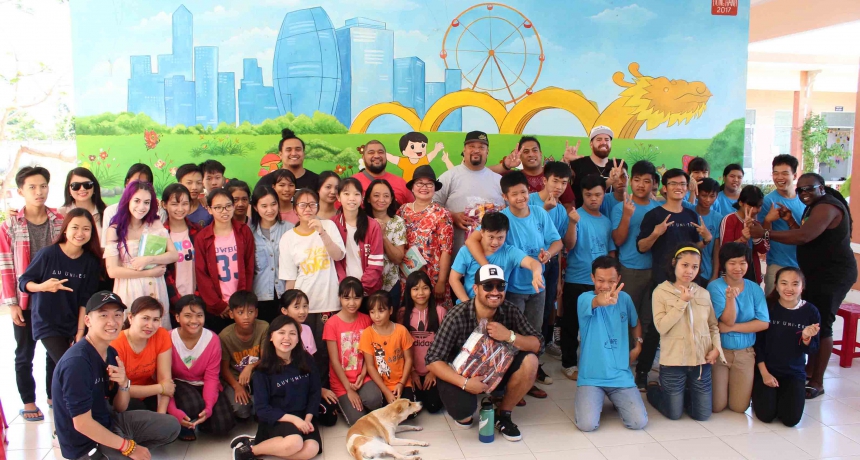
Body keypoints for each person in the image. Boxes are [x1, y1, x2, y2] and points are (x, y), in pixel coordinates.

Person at [748, 173, 857, 399]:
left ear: (822, 188)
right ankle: (809, 369)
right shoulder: (814, 206)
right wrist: (790, 221)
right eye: (800, 190)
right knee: (813, 319)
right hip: (816, 274)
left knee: (823, 324)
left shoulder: (827, 207)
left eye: (809, 188)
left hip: (832, 275)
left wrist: (765, 232)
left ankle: (817, 381)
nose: (804, 193)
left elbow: (805, 236)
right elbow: (810, 234)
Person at [51, 291, 180, 460]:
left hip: (109, 422)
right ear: (88, 320)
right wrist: (129, 447)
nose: (112, 322)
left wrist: (124, 384)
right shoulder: (77, 362)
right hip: (85, 443)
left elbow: (120, 408)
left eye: (117, 315)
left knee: (171, 426)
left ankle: (116, 446)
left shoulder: (110, 353)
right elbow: (82, 424)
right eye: (103, 315)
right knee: (129, 452)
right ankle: (113, 450)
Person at [425, 264, 543, 442]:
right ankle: (466, 402)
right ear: (475, 289)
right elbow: (432, 359)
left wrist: (510, 336)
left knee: (531, 361)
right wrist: (465, 384)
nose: (495, 292)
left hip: (497, 371)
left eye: (500, 286)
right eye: (488, 286)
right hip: (461, 374)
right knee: (464, 416)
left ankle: (503, 414)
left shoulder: (510, 310)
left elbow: (538, 343)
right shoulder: (458, 315)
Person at [635, 168, 712, 388]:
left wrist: (706, 239)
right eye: (674, 184)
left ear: (687, 188)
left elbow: (693, 249)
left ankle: (687, 372)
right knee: (656, 329)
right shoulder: (654, 215)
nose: (679, 188)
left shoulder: (691, 215)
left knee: (689, 325)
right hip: (663, 282)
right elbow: (641, 247)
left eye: (683, 184)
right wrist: (656, 233)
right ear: (664, 188)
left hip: (689, 282)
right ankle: (642, 372)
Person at [1, 167, 64, 421]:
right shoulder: (10, 225)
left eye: (43, 186)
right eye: (32, 187)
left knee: (55, 350)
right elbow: (6, 265)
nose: (39, 192)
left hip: (55, 298)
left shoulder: (60, 220)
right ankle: (28, 401)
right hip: (25, 299)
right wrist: (12, 304)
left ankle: (52, 396)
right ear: (20, 191)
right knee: (24, 352)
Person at [19, 206, 100, 385]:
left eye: (86, 229)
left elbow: (85, 300)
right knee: (70, 365)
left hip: (71, 322)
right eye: (75, 227)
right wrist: (43, 286)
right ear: (65, 229)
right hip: (46, 322)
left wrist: (80, 332)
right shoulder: (48, 254)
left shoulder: (91, 262)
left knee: (55, 365)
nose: (80, 233)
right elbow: (24, 282)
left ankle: (53, 398)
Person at [646, 245, 724, 421]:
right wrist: (682, 302)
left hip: (701, 362)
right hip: (673, 362)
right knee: (674, 414)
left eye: (694, 267)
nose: (689, 271)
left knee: (702, 415)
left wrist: (716, 348)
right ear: (674, 263)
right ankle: (653, 388)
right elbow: (661, 327)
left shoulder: (703, 293)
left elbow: (713, 326)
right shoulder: (660, 292)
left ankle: (684, 394)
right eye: (685, 265)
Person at [231, 315, 322, 460]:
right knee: (295, 442)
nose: (287, 338)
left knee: (312, 448)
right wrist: (294, 420)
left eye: (292, 333)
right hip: (277, 418)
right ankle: (248, 451)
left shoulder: (306, 360)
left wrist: (308, 418)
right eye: (281, 332)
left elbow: (315, 392)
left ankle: (268, 446)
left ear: (298, 339)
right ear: (271, 337)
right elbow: (262, 409)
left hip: (303, 416)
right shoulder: (262, 371)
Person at [573, 256, 648, 432]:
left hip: (620, 375)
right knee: (587, 425)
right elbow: (597, 301)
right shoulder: (584, 299)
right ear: (592, 278)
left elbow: (635, 322)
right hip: (591, 377)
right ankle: (596, 398)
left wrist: (638, 345)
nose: (606, 286)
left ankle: (615, 398)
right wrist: (603, 300)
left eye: (611, 281)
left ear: (619, 279)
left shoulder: (625, 299)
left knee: (638, 422)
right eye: (600, 280)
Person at [279, 188, 346, 367]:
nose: (308, 209)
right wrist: (290, 310)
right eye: (302, 205)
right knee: (304, 352)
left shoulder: (329, 226)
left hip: (329, 301)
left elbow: (338, 255)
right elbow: (290, 277)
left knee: (326, 353)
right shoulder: (288, 238)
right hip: (303, 306)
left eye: (312, 204)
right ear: (295, 209)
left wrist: (321, 232)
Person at [560, 174, 616, 380]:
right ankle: (569, 364)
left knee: (598, 324)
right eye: (588, 194)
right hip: (576, 278)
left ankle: (594, 362)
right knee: (571, 324)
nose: (593, 199)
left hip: (601, 284)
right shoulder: (575, 217)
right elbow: (569, 245)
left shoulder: (607, 222)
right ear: (581, 195)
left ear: (604, 194)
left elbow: (610, 252)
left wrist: (612, 281)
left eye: (598, 195)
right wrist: (572, 223)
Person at [104, 180, 177, 329]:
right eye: (137, 201)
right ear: (127, 200)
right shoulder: (115, 229)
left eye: (147, 202)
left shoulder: (155, 224)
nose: (142, 207)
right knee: (131, 331)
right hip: (128, 288)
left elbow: (174, 255)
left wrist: (149, 259)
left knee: (156, 332)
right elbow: (112, 271)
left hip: (155, 287)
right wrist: (149, 272)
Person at [753, 267, 820, 427]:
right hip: (767, 370)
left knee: (791, 420)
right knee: (766, 415)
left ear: (802, 287)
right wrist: (764, 374)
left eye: (795, 284)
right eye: (784, 283)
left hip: (794, 373)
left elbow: (812, 350)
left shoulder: (811, 311)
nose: (789, 288)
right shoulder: (768, 307)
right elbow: (758, 343)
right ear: (776, 286)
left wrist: (806, 338)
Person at [707, 243, 769, 413]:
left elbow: (763, 323)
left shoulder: (754, 288)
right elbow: (727, 320)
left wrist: (732, 328)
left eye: (742, 263)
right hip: (720, 352)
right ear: (724, 264)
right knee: (717, 406)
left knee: (739, 407)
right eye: (732, 263)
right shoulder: (715, 287)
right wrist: (730, 299)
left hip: (745, 353)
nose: (738, 268)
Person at [168, 294, 236, 441]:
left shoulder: (212, 339)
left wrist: (209, 407)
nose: (194, 321)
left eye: (199, 315)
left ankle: (199, 422)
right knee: (193, 404)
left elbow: (211, 377)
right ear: (177, 317)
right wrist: (172, 410)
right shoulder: (168, 339)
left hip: (203, 383)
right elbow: (164, 379)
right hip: (178, 384)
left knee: (223, 425)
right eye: (188, 316)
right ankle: (179, 424)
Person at [610, 161, 659, 362]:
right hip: (629, 270)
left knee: (648, 318)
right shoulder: (620, 207)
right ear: (630, 181)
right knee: (626, 316)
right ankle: (623, 358)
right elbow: (618, 240)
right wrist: (627, 216)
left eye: (646, 181)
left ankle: (642, 361)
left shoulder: (659, 208)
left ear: (653, 183)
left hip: (654, 270)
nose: (641, 185)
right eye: (637, 180)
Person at [194, 188, 255, 333]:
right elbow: (202, 274)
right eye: (218, 207)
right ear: (209, 209)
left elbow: (249, 267)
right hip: (217, 308)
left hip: (241, 305)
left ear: (233, 207)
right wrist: (218, 305)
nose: (224, 211)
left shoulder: (244, 231)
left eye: (228, 206)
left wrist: (241, 302)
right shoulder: (202, 237)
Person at [433, 130, 505, 254]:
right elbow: (431, 206)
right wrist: (452, 216)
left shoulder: (499, 181)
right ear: (464, 150)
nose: (476, 150)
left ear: (487, 152)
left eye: (481, 147)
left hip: (493, 256)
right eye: (471, 146)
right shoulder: (449, 177)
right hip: (457, 254)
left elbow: (511, 212)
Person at [323, 277, 382, 425]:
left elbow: (370, 353)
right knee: (357, 420)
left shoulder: (367, 320)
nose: (352, 303)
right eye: (347, 298)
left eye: (356, 298)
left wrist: (363, 374)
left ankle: (362, 400)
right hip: (342, 383)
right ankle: (346, 404)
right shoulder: (331, 323)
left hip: (363, 377)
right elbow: (334, 361)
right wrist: (349, 389)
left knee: (375, 400)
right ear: (339, 298)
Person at [528, 161, 572, 360]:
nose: (559, 187)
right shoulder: (528, 200)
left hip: (551, 264)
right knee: (529, 309)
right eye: (555, 181)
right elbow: (522, 229)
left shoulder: (561, 211)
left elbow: (559, 244)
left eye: (564, 182)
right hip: (528, 262)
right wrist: (544, 210)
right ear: (545, 180)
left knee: (546, 309)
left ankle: (541, 351)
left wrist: (559, 280)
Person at [450, 212, 540, 302]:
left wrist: (536, 273)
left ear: (506, 234)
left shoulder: (510, 252)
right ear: (482, 232)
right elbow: (453, 279)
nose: (495, 242)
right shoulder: (466, 251)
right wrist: (467, 303)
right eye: (491, 237)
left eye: (500, 238)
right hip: (468, 303)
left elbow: (533, 263)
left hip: (496, 305)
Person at [399, 165, 455, 309]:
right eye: (420, 183)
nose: (424, 187)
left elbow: (446, 250)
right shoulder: (402, 211)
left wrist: (441, 281)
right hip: (407, 276)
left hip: (433, 277)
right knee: (408, 314)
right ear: (412, 187)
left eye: (429, 184)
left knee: (436, 315)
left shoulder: (442, 214)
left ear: (434, 188)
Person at [281, 289, 339, 427]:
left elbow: (312, 365)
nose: (302, 311)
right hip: (288, 387)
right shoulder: (281, 333)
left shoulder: (306, 329)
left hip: (306, 385)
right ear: (284, 310)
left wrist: (318, 389)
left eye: (305, 306)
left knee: (330, 416)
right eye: (296, 307)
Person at [111, 296, 174, 413]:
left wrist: (161, 416)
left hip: (150, 393)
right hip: (123, 398)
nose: (150, 325)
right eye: (145, 318)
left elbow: (166, 380)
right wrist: (160, 388)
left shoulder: (161, 335)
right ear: (130, 317)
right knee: (138, 409)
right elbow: (119, 389)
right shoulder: (116, 344)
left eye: (155, 320)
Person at [398, 271, 446, 414]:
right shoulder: (402, 313)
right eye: (415, 289)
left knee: (433, 406)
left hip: (434, 368)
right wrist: (411, 372)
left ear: (431, 290)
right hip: (410, 370)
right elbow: (399, 347)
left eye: (425, 288)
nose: (421, 293)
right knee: (412, 410)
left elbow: (445, 345)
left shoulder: (440, 312)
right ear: (409, 291)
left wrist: (434, 372)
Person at [758, 155, 805, 295]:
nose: (779, 177)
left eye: (785, 173)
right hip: (778, 264)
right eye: (776, 173)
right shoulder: (768, 201)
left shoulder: (804, 200)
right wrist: (768, 220)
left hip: (803, 264)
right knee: (773, 305)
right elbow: (762, 236)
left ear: (794, 175)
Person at [219, 290, 269, 421]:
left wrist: (250, 367)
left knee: (263, 407)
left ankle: (258, 402)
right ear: (231, 314)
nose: (246, 317)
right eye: (240, 313)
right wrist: (237, 386)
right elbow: (224, 369)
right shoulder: (225, 336)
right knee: (242, 410)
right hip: (235, 378)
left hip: (258, 374)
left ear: (256, 313)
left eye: (250, 312)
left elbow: (265, 358)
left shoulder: (264, 327)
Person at [360, 292, 415, 404]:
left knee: (408, 410)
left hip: (402, 382)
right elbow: (370, 366)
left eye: (381, 311)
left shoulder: (401, 330)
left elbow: (409, 359)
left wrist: (402, 383)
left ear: (390, 310)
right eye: (372, 312)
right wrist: (386, 391)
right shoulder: (367, 333)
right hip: (380, 385)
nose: (376, 316)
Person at [492, 136, 576, 208]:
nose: (531, 154)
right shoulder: (513, 177)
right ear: (520, 156)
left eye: (535, 150)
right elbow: (484, 173)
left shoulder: (554, 174)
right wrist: (505, 166)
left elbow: (569, 205)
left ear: (540, 153)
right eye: (526, 151)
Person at [250, 185, 294, 323]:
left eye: (273, 204)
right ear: (255, 207)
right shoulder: (249, 232)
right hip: (260, 296)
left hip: (287, 295)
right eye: (264, 206)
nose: (270, 210)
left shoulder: (290, 229)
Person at [333, 178, 384, 294]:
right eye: (346, 194)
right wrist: (345, 288)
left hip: (368, 291)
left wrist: (360, 289)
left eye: (356, 194)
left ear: (362, 197)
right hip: (342, 292)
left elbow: (376, 263)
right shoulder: (332, 224)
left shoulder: (373, 225)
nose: (352, 198)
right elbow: (334, 262)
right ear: (338, 197)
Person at [365, 179, 407, 309]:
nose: (381, 199)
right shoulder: (361, 221)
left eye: (386, 196)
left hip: (390, 283)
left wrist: (382, 235)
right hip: (366, 283)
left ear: (391, 199)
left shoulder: (397, 222)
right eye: (376, 195)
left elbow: (398, 258)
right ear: (368, 199)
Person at [564, 126, 626, 209]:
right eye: (599, 139)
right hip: (580, 214)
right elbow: (559, 177)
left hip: (609, 215)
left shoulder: (617, 166)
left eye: (607, 140)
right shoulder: (578, 163)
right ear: (591, 144)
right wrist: (565, 160)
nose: (603, 142)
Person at [719, 185, 768, 284]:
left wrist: (754, 233)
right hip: (732, 273)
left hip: (753, 273)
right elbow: (725, 250)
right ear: (741, 203)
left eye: (758, 206)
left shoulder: (756, 224)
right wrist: (742, 239)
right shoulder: (729, 219)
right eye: (750, 206)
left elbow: (763, 249)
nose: (755, 210)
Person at [162, 183, 201, 309]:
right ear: (164, 205)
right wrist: (177, 301)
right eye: (174, 204)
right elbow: (164, 272)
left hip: (197, 298)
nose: (180, 209)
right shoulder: (160, 234)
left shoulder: (198, 230)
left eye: (184, 204)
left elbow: (204, 268)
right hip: (172, 301)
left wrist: (198, 295)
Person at [101, 163, 154, 243]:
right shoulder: (111, 211)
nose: (140, 187)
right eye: (135, 182)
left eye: (145, 184)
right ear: (127, 182)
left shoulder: (157, 214)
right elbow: (106, 246)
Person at [353, 139, 414, 205]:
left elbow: (413, 209)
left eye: (380, 152)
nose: (376, 156)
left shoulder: (401, 183)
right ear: (363, 157)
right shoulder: (353, 182)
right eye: (371, 152)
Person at [59, 167, 107, 239]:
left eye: (87, 184)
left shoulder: (108, 212)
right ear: (68, 190)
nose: (82, 189)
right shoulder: (61, 213)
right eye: (75, 185)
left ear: (94, 187)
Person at [694, 178, 723, 282]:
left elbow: (716, 249)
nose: (708, 200)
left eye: (712, 196)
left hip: (707, 272)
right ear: (697, 194)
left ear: (717, 196)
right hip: (687, 270)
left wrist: (714, 275)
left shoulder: (718, 218)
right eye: (704, 195)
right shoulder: (687, 210)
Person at [176, 163, 213, 228]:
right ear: (179, 185)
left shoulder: (208, 209)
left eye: (199, 183)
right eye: (189, 183)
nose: (194, 187)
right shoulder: (170, 210)